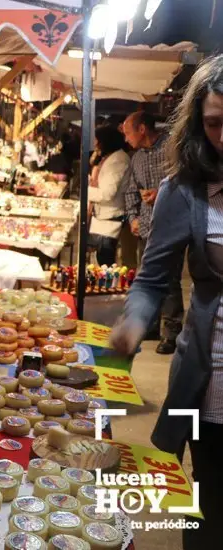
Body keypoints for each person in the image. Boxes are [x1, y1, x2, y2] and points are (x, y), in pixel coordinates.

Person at [110, 54, 223, 549]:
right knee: (210, 510)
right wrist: (134, 322)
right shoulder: (186, 192)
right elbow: (152, 279)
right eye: (216, 123)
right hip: (213, 374)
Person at [121, 110, 183, 354]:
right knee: (147, 277)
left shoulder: (172, 148)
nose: (126, 139)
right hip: (146, 226)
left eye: (128, 133)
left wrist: (163, 194)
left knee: (171, 280)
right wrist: (132, 218)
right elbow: (129, 191)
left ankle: (172, 332)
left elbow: (186, 181)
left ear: (142, 129)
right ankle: (151, 325)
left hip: (172, 225)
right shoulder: (136, 158)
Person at [86, 125, 130, 266]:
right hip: (103, 218)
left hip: (109, 219)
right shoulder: (110, 157)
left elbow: (107, 193)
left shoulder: (117, 160)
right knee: (99, 260)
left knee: (104, 264)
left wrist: (86, 192)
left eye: (97, 140)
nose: (95, 144)